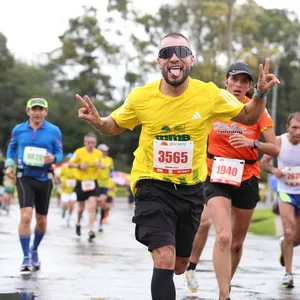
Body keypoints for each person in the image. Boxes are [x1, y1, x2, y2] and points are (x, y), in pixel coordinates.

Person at [75, 32, 279, 300]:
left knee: (180, 265)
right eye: (165, 53)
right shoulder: (141, 97)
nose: (173, 57)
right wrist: (98, 121)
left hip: (191, 189)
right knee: (164, 256)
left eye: (181, 52)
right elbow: (113, 125)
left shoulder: (208, 94)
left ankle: (172, 265)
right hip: (151, 183)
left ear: (191, 60)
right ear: (158, 62)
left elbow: (250, 116)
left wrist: (261, 92)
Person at [184, 61, 279, 299]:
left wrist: (253, 143)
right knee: (222, 235)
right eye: (234, 79)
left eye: (244, 81)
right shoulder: (213, 103)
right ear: (226, 81)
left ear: (249, 86)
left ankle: (225, 286)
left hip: (247, 178)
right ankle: (219, 291)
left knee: (236, 243)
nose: (238, 84)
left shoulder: (257, 110)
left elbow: (275, 148)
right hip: (215, 175)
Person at [5, 97, 63, 275]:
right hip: (24, 176)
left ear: (45, 112)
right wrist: (9, 164)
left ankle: (34, 250)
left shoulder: (54, 131)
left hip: (44, 178)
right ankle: (25, 258)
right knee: (25, 216)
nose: (37, 112)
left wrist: (53, 159)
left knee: (41, 220)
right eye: (34, 109)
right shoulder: (19, 129)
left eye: (41, 109)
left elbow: (59, 152)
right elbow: (12, 148)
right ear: (27, 111)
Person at [260, 112, 300, 288]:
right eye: (294, 128)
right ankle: (288, 274)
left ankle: (285, 245)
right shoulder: (279, 141)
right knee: (289, 230)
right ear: (287, 128)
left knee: (295, 237)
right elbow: (264, 163)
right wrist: (274, 171)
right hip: (285, 192)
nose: (298, 132)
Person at [69, 133, 103, 241]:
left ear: (95, 143)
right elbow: (70, 164)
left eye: (93, 143)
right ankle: (78, 222)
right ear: (85, 143)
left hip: (93, 182)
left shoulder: (98, 153)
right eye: (89, 142)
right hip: (81, 182)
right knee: (81, 208)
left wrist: (100, 166)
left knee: (92, 205)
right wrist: (79, 166)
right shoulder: (79, 152)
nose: (91, 145)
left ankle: (91, 230)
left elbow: (101, 164)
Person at [96, 143, 115, 231]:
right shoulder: (95, 158)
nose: (105, 152)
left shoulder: (109, 159)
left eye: (106, 151)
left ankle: (100, 222)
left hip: (105, 184)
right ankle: (95, 216)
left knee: (103, 204)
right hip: (96, 183)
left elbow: (112, 170)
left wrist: (111, 176)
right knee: (95, 203)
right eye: (103, 151)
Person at [58, 153, 77, 226]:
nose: (71, 161)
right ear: (68, 159)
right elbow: (58, 176)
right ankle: (64, 209)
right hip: (65, 189)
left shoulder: (76, 167)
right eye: (70, 159)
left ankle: (68, 217)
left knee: (71, 204)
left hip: (73, 189)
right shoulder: (64, 167)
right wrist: (60, 183)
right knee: (66, 205)